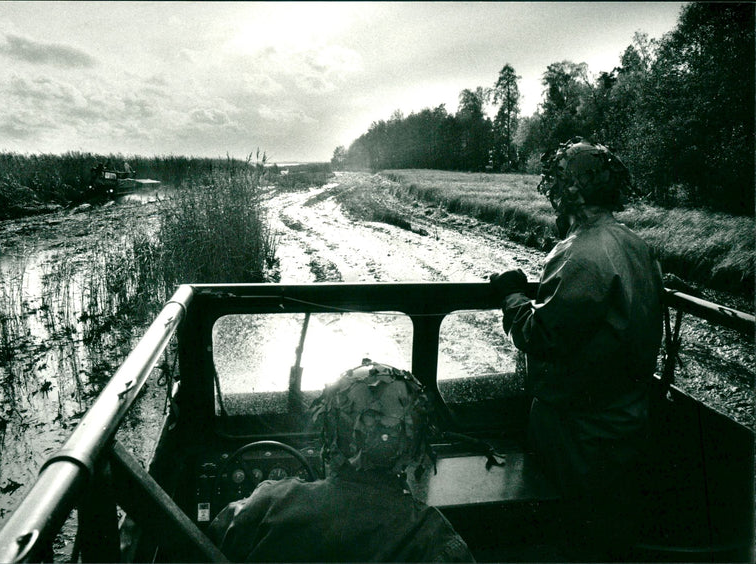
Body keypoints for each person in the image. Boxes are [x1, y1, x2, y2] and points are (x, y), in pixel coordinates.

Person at [490, 137, 663, 561]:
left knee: (571, 536)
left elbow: (540, 335)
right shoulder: (634, 243)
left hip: (580, 433)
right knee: (606, 531)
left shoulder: (581, 253)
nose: (552, 198)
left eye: (555, 187)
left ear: (569, 192)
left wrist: (513, 294)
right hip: (625, 419)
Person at [207, 360, 474, 562]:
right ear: (414, 447)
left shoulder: (268, 503)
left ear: (330, 433)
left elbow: (214, 541)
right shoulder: (433, 535)